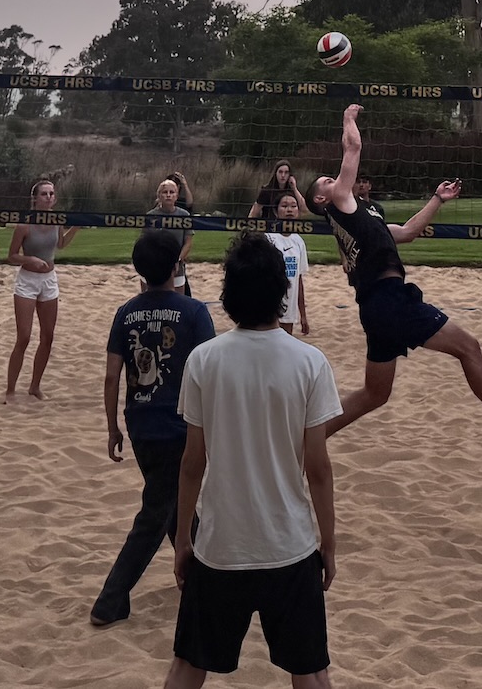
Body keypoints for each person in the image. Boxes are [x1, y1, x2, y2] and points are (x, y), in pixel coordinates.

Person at [307, 104, 482, 446]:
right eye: (328, 181)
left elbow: (406, 232)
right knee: (469, 348)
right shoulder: (339, 203)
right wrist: (347, 118)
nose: (337, 179)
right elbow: (353, 148)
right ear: (321, 198)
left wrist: (438, 199)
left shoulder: (360, 219)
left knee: (375, 393)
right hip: (390, 300)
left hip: (375, 306)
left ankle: (310, 437)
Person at [164, 234, 343, 688]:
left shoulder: (204, 360)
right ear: (282, 294)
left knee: (187, 667)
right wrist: (330, 542)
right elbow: (319, 469)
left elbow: (191, 464)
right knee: (311, 672)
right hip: (290, 543)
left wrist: (184, 539)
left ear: (229, 295)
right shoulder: (310, 362)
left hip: (222, 546)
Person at [93, 231, 217, 627]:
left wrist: (113, 425)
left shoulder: (125, 312)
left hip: (140, 421)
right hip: (180, 425)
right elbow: (210, 374)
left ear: (137, 271)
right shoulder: (195, 312)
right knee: (156, 511)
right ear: (177, 266)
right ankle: (110, 599)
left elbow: (113, 377)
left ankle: (200, 579)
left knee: (172, 504)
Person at [5, 179, 82, 404]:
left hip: (49, 280)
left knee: (47, 336)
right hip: (27, 280)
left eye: (51, 194)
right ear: (35, 198)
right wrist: (29, 259)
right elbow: (11, 255)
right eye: (44, 194)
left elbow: (61, 244)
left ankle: (34, 386)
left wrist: (75, 227)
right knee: (24, 337)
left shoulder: (57, 220)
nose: (49, 197)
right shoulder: (24, 224)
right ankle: (10, 389)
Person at [268, 190, 313, 339]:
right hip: (269, 302)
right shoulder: (268, 238)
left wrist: (303, 315)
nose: (289, 209)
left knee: (285, 345)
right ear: (276, 211)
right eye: (285, 206)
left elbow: (298, 280)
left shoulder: (299, 241)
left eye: (294, 206)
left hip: (289, 306)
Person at [145, 176, 196, 297]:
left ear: (177, 196)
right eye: (165, 192)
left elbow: (188, 242)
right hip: (154, 264)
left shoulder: (184, 215)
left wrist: (178, 260)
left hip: (176, 265)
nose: (168, 195)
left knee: (179, 301)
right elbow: (145, 242)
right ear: (159, 196)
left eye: (171, 192)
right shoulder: (150, 216)